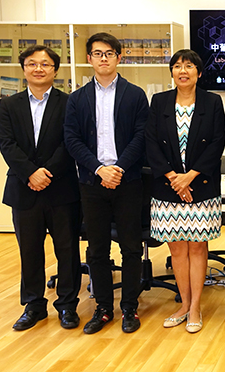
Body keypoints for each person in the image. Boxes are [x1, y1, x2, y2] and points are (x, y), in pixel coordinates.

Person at [64, 32, 149, 334]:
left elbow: (141, 136)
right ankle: (102, 308)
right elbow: (72, 139)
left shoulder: (135, 94)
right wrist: (100, 169)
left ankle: (130, 307)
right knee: (97, 249)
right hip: (92, 182)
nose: (104, 58)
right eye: (98, 53)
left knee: (131, 247)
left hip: (128, 181)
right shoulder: (77, 99)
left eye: (109, 53)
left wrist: (119, 168)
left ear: (118, 57)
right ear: (89, 58)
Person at [0, 45, 81, 331]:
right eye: (32, 64)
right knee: (30, 251)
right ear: (24, 69)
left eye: (45, 64)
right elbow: (7, 144)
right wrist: (30, 173)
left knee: (67, 250)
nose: (38, 69)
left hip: (61, 188)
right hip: (24, 189)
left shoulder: (69, 103)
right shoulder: (9, 105)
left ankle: (67, 305)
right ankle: (33, 305)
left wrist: (46, 173)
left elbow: (70, 142)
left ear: (55, 70)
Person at [145, 49, 225, 333]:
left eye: (189, 66)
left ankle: (195, 307)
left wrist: (189, 177)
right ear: (171, 72)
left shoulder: (212, 102)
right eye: (177, 66)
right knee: (177, 249)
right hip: (167, 189)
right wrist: (173, 178)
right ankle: (183, 304)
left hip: (200, 186)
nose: (183, 71)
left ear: (199, 73)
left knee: (197, 247)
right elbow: (150, 142)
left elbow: (217, 142)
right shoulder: (159, 101)